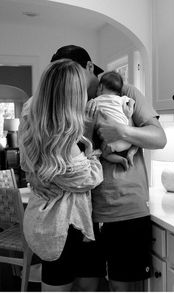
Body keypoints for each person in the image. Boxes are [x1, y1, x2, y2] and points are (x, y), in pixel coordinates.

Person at [21, 45, 167, 292]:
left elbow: (159, 138)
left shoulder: (123, 91)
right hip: (79, 214)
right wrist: (34, 175)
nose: (72, 82)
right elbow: (40, 145)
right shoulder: (60, 97)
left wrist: (121, 131)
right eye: (64, 75)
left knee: (123, 286)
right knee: (83, 285)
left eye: (73, 73)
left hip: (121, 208)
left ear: (89, 67)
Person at [18, 59, 104, 292]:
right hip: (65, 226)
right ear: (75, 96)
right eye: (83, 90)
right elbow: (89, 178)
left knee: (58, 280)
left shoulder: (35, 127)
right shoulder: (65, 140)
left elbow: (28, 165)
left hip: (48, 222)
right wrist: (93, 150)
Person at [94, 70, 138, 170]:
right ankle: (131, 153)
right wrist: (130, 109)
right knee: (137, 139)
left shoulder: (96, 101)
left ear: (100, 87)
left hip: (111, 141)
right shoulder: (121, 99)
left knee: (104, 154)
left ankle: (121, 160)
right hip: (128, 140)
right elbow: (132, 100)